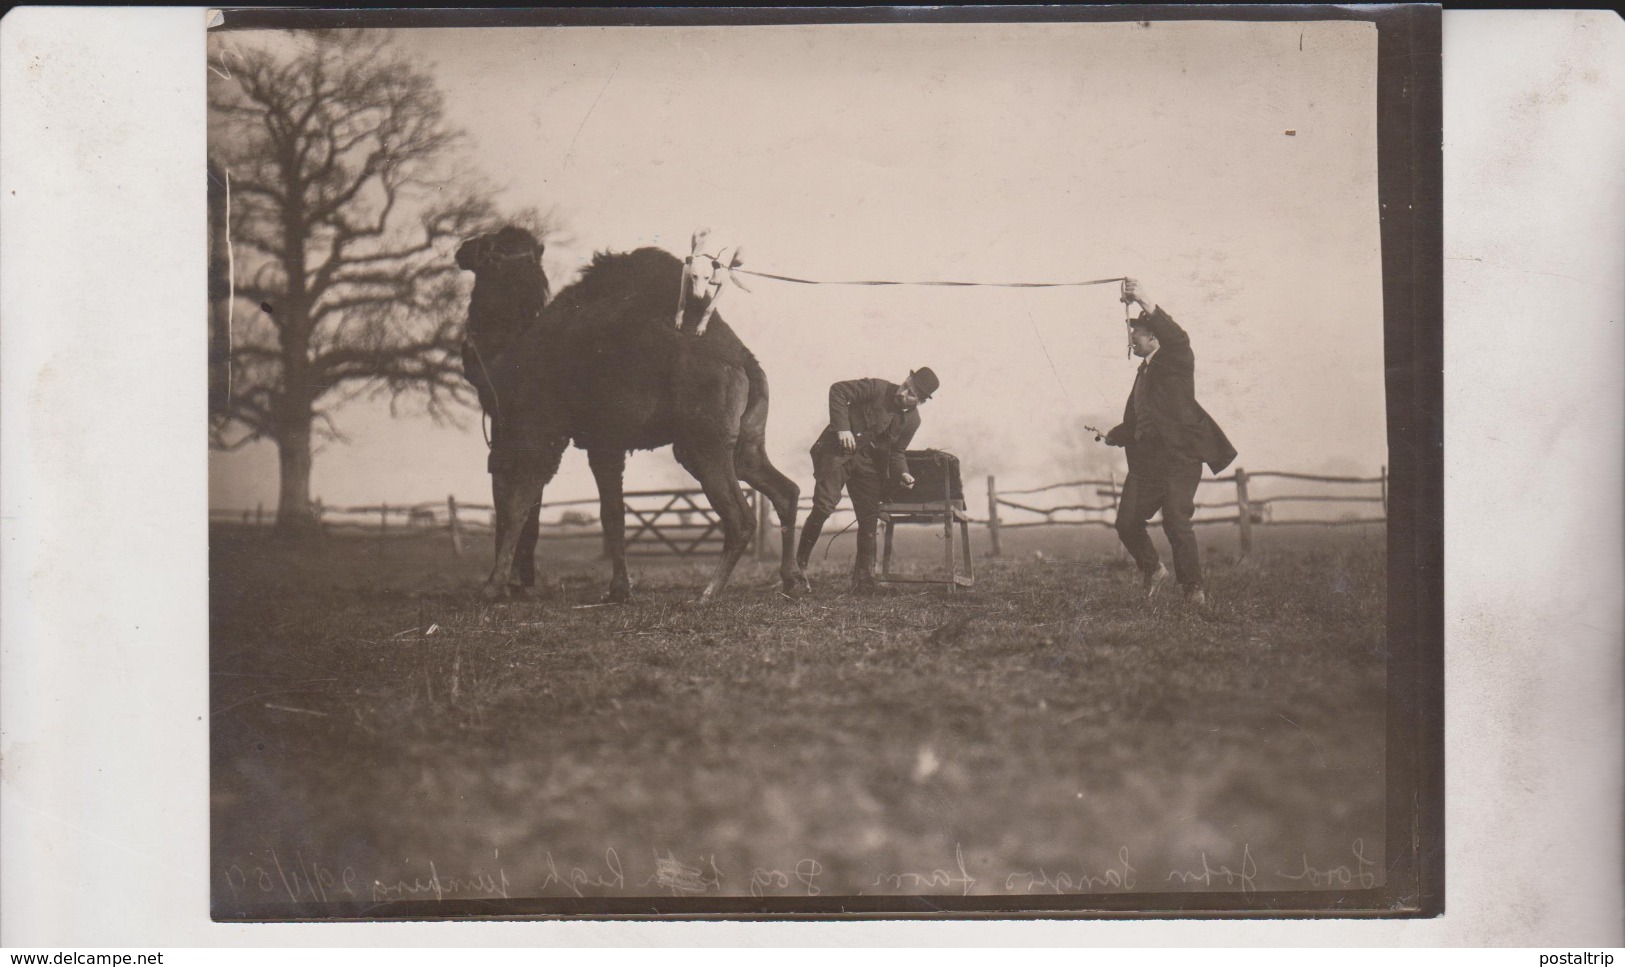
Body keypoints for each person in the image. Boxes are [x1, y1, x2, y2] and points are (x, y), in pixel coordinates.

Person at [1104, 279, 1236, 605]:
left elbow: (1178, 337)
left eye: (1136, 333)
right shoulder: (1143, 373)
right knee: (1126, 523)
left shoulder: (1175, 358)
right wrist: (1116, 434)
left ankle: (1193, 590)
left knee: (1176, 523)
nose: (1131, 338)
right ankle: (1153, 569)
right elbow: (1141, 419)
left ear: (1153, 337)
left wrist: (1142, 299)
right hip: (1147, 462)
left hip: (1180, 459)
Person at [796, 368, 940, 593]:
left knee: (869, 517)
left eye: (911, 393)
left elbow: (897, 451)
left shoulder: (913, 421)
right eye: (905, 385)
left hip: (867, 465)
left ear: (920, 401)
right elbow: (838, 390)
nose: (903, 393)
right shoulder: (877, 388)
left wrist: (903, 472)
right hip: (837, 454)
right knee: (824, 506)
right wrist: (842, 429)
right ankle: (798, 569)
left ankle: (864, 582)